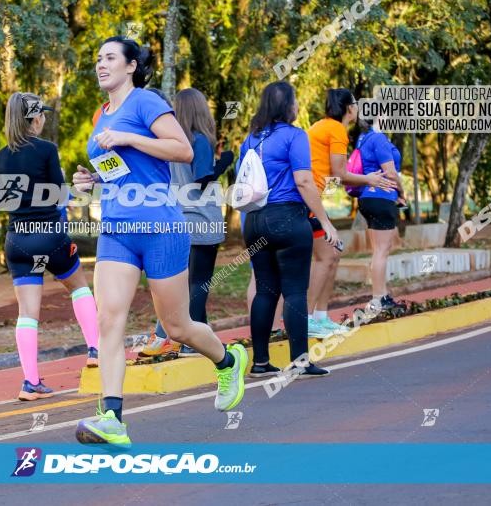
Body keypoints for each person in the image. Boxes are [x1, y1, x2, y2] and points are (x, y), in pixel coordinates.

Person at [73, 37, 247, 448]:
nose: (101, 65)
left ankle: (227, 359)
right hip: (117, 228)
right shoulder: (103, 114)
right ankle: (112, 418)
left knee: (176, 325)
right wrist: (95, 179)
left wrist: (130, 139)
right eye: (98, 59)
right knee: (109, 320)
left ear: (131, 65)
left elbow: (182, 151)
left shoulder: (147, 102)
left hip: (161, 228)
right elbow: (124, 171)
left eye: (110, 58)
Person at [0, 92, 100, 401]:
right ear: (35, 118)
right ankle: (95, 349)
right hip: (49, 234)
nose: (44, 120)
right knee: (79, 287)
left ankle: (31, 382)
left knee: (27, 313)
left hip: (18, 239)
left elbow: (1, 201)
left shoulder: (2, 155)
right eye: (42, 116)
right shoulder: (47, 150)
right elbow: (59, 195)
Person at [239, 81, 340, 378]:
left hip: (255, 221)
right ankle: (299, 360)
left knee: (265, 290)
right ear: (288, 107)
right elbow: (304, 181)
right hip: (287, 217)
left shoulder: (250, 139)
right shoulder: (295, 136)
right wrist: (324, 220)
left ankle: (259, 362)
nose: (297, 107)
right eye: (295, 102)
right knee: (295, 290)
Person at [141, 88, 234, 357]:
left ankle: (184, 337)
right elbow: (202, 179)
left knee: (182, 285)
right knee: (199, 284)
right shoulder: (199, 140)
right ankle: (188, 343)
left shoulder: (166, 143)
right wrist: (224, 163)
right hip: (202, 220)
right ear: (200, 110)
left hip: (175, 220)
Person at [305, 89, 395, 336]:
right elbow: (341, 172)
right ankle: (306, 318)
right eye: (355, 103)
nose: (358, 107)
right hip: (306, 202)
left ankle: (320, 317)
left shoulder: (324, 126)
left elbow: (333, 174)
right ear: (349, 108)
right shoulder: (336, 130)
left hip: (313, 200)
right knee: (326, 256)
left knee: (333, 253)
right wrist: (369, 179)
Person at [354, 116, 404, 312]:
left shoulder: (364, 138)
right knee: (382, 250)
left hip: (368, 197)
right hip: (382, 197)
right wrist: (402, 192)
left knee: (379, 250)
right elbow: (390, 173)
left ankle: (381, 294)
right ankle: (377, 299)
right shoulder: (379, 138)